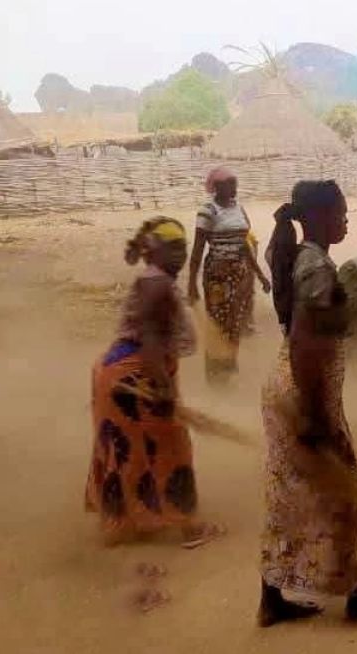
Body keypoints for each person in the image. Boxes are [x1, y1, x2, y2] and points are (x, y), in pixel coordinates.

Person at [260, 179, 357, 627]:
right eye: (340, 212)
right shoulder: (317, 266)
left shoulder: (301, 259)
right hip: (305, 388)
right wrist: (315, 414)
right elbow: (306, 342)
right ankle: (355, 593)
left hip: (289, 386)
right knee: (341, 491)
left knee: (288, 495)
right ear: (320, 216)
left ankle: (273, 598)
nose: (345, 219)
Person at [84, 217, 223, 552]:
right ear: (151, 250)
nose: (180, 253)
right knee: (170, 447)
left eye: (183, 246)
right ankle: (189, 526)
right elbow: (149, 340)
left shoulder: (154, 279)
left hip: (121, 374)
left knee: (126, 452)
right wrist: (163, 390)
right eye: (172, 247)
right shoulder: (157, 284)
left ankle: (122, 524)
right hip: (136, 375)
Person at [188, 167, 271, 385]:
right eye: (230, 183)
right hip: (218, 275)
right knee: (217, 323)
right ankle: (215, 374)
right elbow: (197, 249)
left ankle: (228, 365)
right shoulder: (208, 211)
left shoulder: (239, 209)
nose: (235, 187)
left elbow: (244, 244)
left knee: (236, 322)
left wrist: (260, 275)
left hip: (240, 274)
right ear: (216, 187)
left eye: (235, 182)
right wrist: (191, 284)